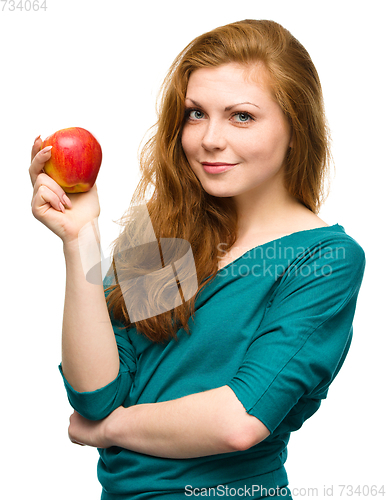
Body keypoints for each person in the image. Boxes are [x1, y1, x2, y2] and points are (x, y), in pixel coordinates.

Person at [30, 19, 365, 500]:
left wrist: (109, 432)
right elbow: (96, 394)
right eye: (195, 113)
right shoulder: (163, 232)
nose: (209, 138)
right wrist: (79, 239)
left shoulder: (326, 259)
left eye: (242, 116)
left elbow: (239, 420)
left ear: (297, 128)